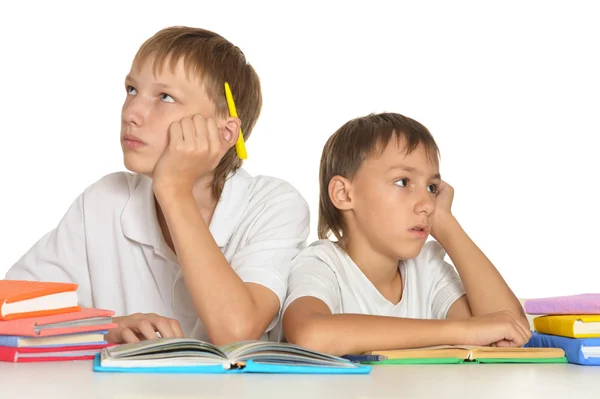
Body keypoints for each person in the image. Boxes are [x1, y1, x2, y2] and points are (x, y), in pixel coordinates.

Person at [5, 26, 310, 346]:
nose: (131, 113)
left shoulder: (274, 205)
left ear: (225, 133)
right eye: (131, 89)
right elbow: (12, 308)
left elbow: (235, 330)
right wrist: (105, 326)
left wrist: (174, 190)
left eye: (165, 97)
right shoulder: (104, 200)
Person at [281, 112, 530, 356]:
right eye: (403, 182)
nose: (427, 204)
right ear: (344, 194)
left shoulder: (427, 269)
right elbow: (310, 335)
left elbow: (509, 333)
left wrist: (445, 223)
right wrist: (461, 331)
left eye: (432, 188)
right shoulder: (322, 264)